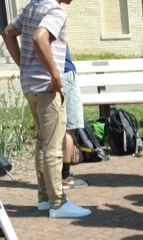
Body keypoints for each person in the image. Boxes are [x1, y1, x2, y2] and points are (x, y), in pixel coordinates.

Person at [2, 0, 92, 219]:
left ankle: (44, 198)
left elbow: (8, 32)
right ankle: (58, 203)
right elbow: (39, 37)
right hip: (46, 87)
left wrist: (24, 66)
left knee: (43, 143)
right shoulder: (55, 10)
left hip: (30, 86)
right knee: (53, 145)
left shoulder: (34, 6)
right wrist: (55, 75)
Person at [60, 43, 89, 190]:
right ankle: (64, 177)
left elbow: (8, 33)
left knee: (48, 132)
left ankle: (50, 178)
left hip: (43, 76)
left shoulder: (30, 20)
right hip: (64, 73)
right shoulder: (52, 19)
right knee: (69, 128)